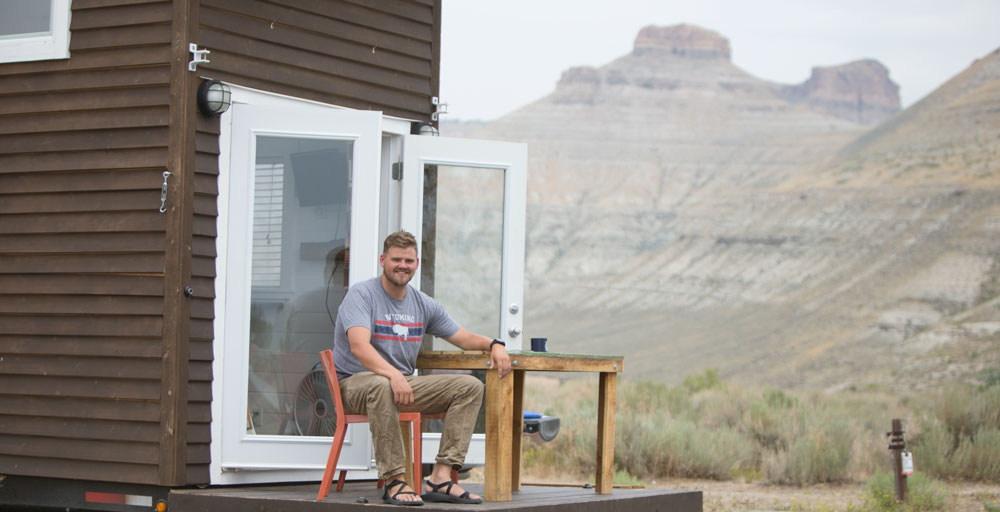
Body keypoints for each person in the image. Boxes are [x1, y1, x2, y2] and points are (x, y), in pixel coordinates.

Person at [332, 231, 512, 506]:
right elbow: (359, 347)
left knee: (470, 387)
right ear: (383, 260)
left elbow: (462, 337)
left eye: (409, 260)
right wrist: (392, 374)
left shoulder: (422, 303)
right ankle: (394, 480)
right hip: (355, 384)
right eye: (396, 259)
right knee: (381, 384)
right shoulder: (362, 294)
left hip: (401, 385)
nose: (402, 265)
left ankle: (441, 476)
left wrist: (495, 344)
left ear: (416, 264)